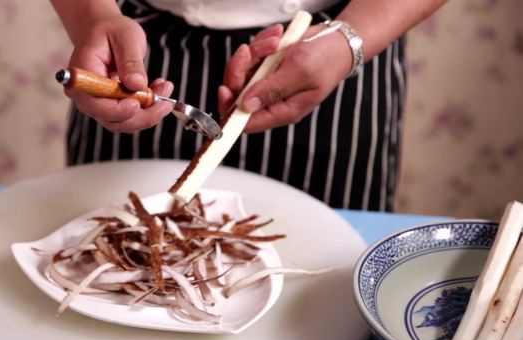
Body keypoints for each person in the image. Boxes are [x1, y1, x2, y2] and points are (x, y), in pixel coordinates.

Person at [50, 0, 446, 211]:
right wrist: (91, 18)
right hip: (135, 41)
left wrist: (350, 41)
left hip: (340, 41)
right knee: (111, 250)